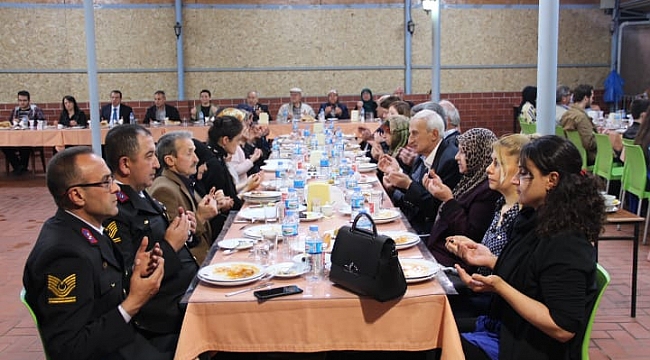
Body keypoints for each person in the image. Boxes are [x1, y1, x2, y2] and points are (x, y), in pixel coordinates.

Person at [456, 135, 603, 360]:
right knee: (431, 326)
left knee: (426, 346)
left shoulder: (567, 242)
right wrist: (492, 261)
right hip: (504, 327)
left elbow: (562, 328)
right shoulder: (533, 219)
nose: (516, 180)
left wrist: (499, 286)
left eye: (524, 173)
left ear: (551, 180)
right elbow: (532, 275)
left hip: (525, 346)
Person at [23, 146, 169, 359]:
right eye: (105, 182)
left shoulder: (85, 227)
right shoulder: (64, 256)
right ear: (77, 195)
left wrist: (134, 271)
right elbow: (69, 348)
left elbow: (103, 289)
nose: (115, 190)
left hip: (127, 341)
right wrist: (134, 302)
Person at [103, 124, 196, 355]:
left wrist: (184, 231)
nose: (157, 164)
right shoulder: (116, 210)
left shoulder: (142, 193)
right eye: (149, 156)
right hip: (163, 315)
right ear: (125, 164)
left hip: (184, 290)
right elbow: (129, 278)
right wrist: (171, 245)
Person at [149, 131, 234, 263]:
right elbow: (176, 246)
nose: (196, 159)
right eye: (189, 153)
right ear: (170, 160)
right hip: (193, 268)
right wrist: (201, 217)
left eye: (194, 152)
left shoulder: (184, 181)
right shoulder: (164, 190)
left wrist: (216, 206)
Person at [423, 128, 501, 264]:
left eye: (463, 152)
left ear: (477, 154)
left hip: (455, 262)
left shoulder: (488, 190)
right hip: (439, 252)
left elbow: (470, 234)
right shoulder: (469, 180)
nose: (456, 157)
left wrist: (448, 200)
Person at [378, 110, 461, 234]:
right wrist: (395, 181)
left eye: (414, 134)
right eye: (410, 134)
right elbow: (415, 191)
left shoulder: (450, 160)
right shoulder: (422, 154)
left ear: (434, 134)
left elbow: (434, 209)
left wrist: (407, 184)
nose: (410, 141)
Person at [198, 112, 263, 212]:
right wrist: (247, 188)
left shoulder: (217, 156)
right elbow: (228, 204)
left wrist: (247, 183)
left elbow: (228, 191)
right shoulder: (215, 164)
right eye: (237, 140)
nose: (237, 145)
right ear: (225, 140)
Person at [2, 90, 46, 174]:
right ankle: (18, 166)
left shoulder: (35, 109)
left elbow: (42, 122)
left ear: (29, 101)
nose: (22, 103)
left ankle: (21, 167)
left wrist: (30, 123)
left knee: (24, 143)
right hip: (15, 137)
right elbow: (9, 123)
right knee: (4, 145)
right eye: (20, 100)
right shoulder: (15, 110)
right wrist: (14, 122)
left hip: (31, 138)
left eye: (24, 100)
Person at [561, 84, 598, 165]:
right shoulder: (581, 117)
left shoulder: (567, 114)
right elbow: (588, 143)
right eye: (592, 97)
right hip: (589, 157)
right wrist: (603, 139)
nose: (592, 100)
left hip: (573, 154)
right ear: (585, 98)